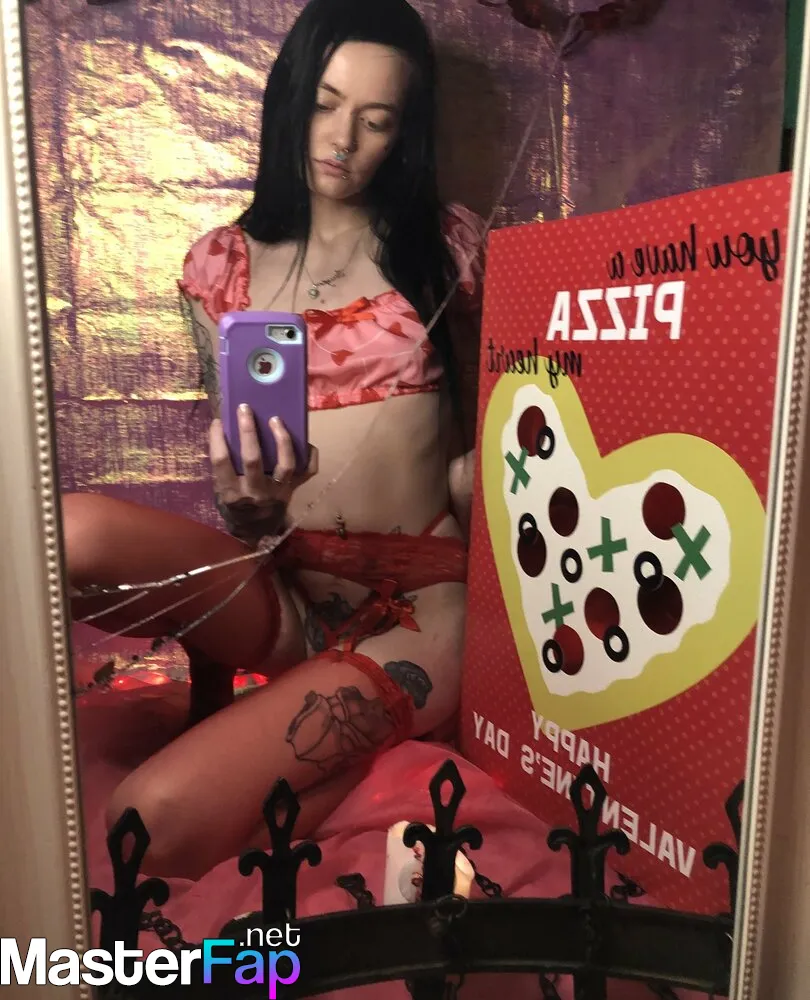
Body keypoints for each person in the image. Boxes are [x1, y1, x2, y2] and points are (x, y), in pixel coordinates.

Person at [63, 0, 486, 880]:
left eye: (377, 120)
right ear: (289, 98)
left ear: (404, 133)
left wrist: (476, 480)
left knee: (146, 825)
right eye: (324, 104)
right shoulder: (219, 264)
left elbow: (505, 428)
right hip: (285, 592)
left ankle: (383, 761)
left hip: (416, 610)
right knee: (64, 535)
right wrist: (249, 508)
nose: (342, 139)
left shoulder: (446, 249)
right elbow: (248, 498)